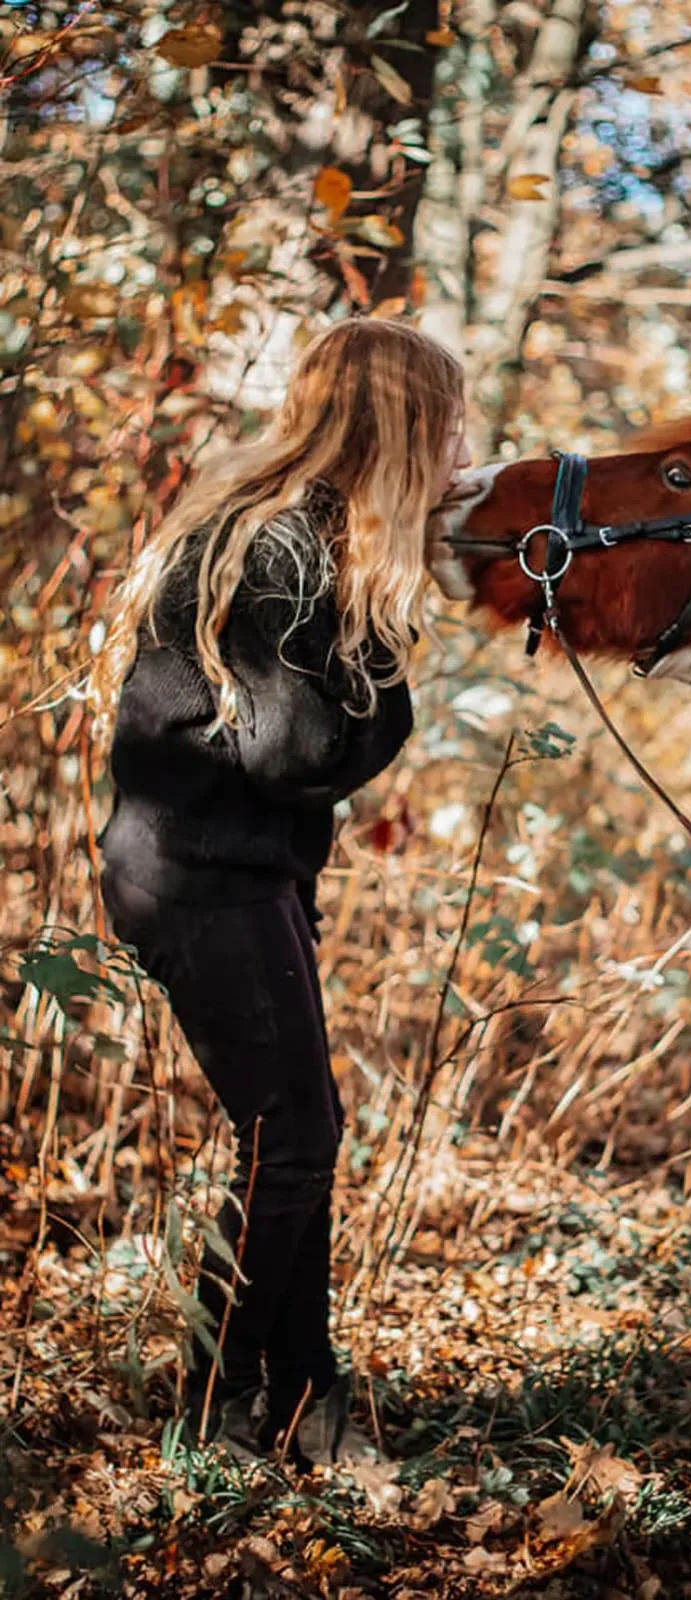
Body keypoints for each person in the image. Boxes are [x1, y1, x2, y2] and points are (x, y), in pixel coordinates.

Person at [90, 317, 469, 1464]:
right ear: (401, 428)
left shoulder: (295, 533)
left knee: (303, 1133)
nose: (462, 452)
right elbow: (296, 753)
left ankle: (304, 1391)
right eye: (450, 428)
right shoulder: (282, 551)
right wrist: (389, 675)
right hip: (195, 877)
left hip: (236, 867)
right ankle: (215, 1405)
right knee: (292, 1139)